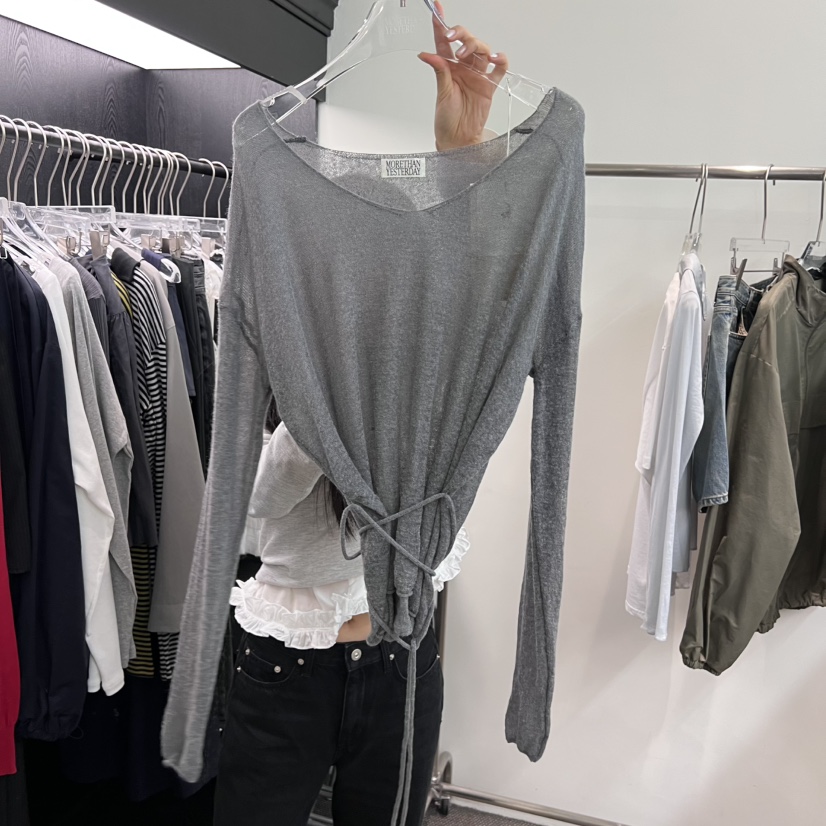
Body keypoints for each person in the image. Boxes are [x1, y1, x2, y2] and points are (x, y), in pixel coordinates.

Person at [214, 11, 509, 826]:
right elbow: (249, 510)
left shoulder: (426, 364)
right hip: (286, 669)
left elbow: (486, 302)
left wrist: (461, 151)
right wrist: (335, 390)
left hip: (402, 658)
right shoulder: (275, 353)